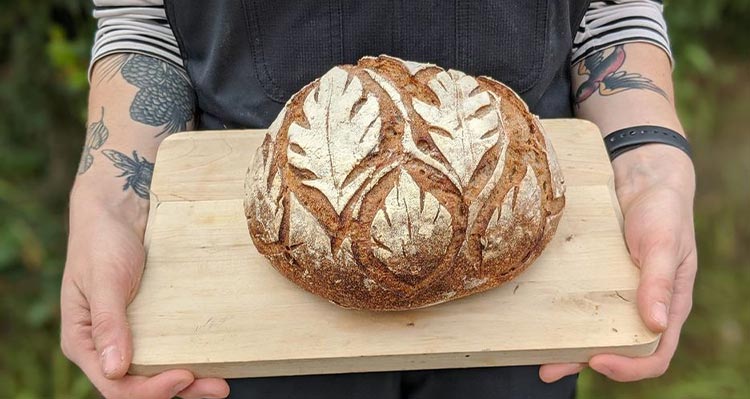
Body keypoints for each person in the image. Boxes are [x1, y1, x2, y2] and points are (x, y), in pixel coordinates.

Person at [60, 1, 697, 398]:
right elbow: (143, 22)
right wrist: (113, 199)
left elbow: (610, 16)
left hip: (524, 275)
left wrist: (648, 167)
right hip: (249, 311)